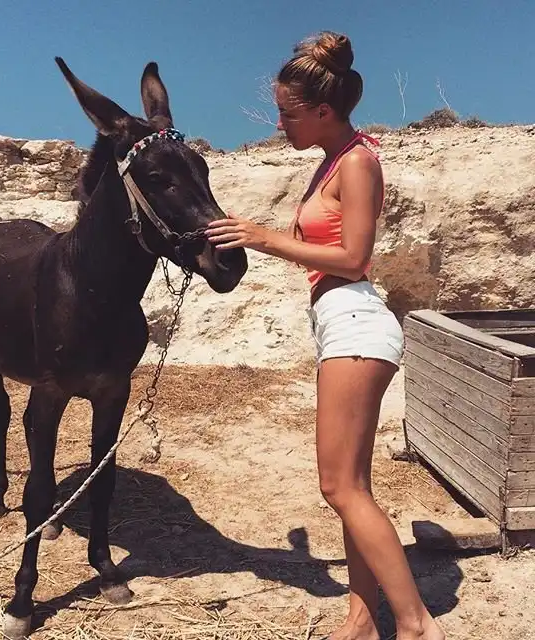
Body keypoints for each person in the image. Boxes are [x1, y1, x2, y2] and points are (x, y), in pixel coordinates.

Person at [205, 31, 446, 640]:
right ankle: (361, 621)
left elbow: (354, 258)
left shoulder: (359, 162)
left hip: (356, 324)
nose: (279, 123)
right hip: (340, 323)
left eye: (288, 113)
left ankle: (417, 624)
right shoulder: (332, 161)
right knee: (352, 488)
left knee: (338, 487)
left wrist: (265, 238)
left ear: (322, 110)